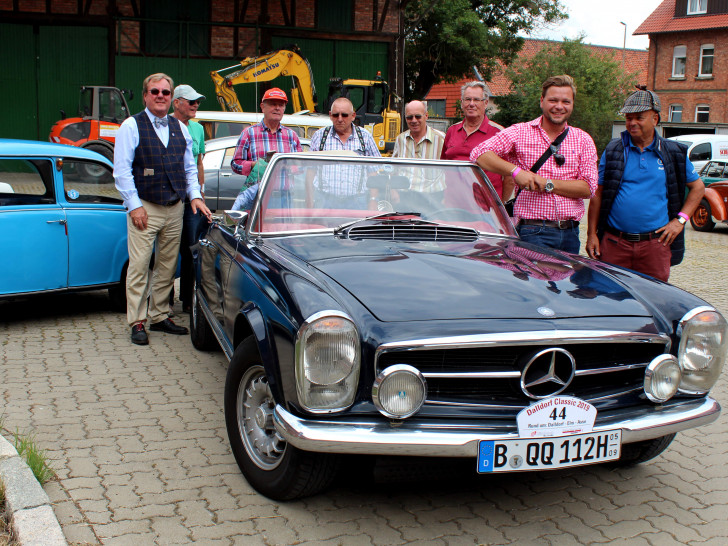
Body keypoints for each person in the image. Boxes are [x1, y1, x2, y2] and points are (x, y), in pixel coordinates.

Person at [114, 73, 212, 346]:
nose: (160, 96)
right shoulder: (131, 126)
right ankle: (137, 321)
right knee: (140, 266)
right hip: (145, 206)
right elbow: (121, 171)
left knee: (168, 266)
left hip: (174, 207)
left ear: (171, 98)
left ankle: (158, 315)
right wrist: (134, 206)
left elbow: (189, 169)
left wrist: (194, 197)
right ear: (145, 95)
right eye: (155, 91)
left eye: (165, 92)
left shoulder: (180, 128)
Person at [586, 87, 704, 282]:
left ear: (655, 119)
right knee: (609, 300)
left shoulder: (673, 152)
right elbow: (597, 194)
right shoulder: (614, 149)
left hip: (655, 246)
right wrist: (591, 234)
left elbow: (698, 188)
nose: (632, 123)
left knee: (653, 302)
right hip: (614, 243)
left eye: (639, 117)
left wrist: (680, 221)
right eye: (628, 118)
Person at [470, 75, 598, 254]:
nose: (559, 106)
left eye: (565, 101)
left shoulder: (583, 139)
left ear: (572, 104)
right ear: (542, 101)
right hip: (532, 232)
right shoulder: (520, 132)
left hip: (570, 234)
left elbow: (589, 188)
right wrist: (516, 172)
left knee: (565, 283)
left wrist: (547, 184)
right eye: (553, 100)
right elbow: (479, 153)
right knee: (535, 283)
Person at [230, 88, 302, 210]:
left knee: (283, 229)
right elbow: (235, 164)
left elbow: (300, 165)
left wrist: (287, 165)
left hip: (285, 197)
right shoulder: (249, 133)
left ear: (284, 108)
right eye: (273, 104)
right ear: (263, 107)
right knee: (258, 229)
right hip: (258, 196)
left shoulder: (291, 136)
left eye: (281, 105)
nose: (277, 108)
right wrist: (254, 165)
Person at [307, 97, 381, 209]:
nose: (340, 119)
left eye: (344, 115)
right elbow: (310, 172)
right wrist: (309, 201)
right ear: (330, 115)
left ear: (353, 116)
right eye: (336, 115)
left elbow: (373, 174)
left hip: (357, 203)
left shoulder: (365, 137)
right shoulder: (319, 136)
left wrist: (373, 200)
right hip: (324, 202)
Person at [441, 82, 510, 201]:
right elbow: (443, 166)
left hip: (485, 208)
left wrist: (500, 206)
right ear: (462, 103)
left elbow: (509, 176)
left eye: (476, 100)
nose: (471, 104)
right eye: (467, 99)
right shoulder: (452, 131)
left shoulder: (499, 133)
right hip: (453, 205)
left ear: (486, 103)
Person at [171, 84, 207, 314]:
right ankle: (163, 299)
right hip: (171, 197)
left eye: (197, 102)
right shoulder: (167, 126)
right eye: (191, 101)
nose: (195, 105)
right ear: (177, 103)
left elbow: (199, 162)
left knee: (192, 248)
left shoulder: (198, 129)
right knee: (169, 248)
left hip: (192, 198)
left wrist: (200, 194)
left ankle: (187, 299)